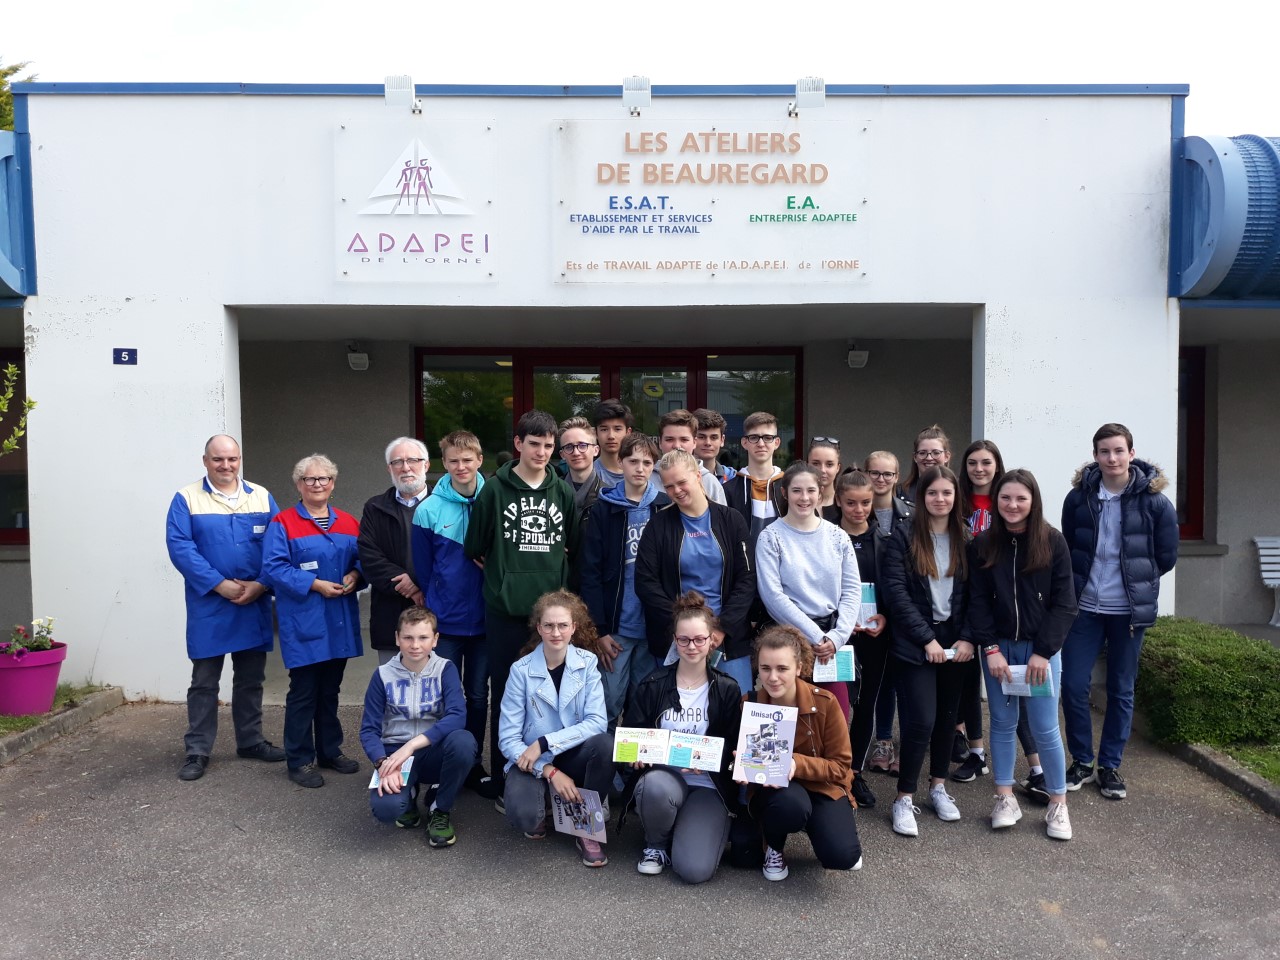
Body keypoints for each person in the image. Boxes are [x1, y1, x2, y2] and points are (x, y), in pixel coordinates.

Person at [465, 410, 578, 803]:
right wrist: (503, 573)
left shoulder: (561, 490)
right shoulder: (493, 491)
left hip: (549, 619)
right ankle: (504, 782)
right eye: (535, 444)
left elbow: (571, 544)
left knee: (552, 697)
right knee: (508, 698)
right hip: (505, 612)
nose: (542, 452)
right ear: (518, 444)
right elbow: (474, 546)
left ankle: (551, 778)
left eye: (549, 445)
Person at [1060, 423, 1178, 800]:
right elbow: (1070, 548)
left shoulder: (1155, 502)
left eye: (1118, 450)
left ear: (1131, 453)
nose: (1112, 458)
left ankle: (1110, 765)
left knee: (1121, 689)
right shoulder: (1079, 498)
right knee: (1073, 685)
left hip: (1128, 613)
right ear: (1095, 455)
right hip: (1085, 609)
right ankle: (1081, 760)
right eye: (1104, 451)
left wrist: (1133, 583)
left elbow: (1165, 556)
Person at [165, 434, 284, 782]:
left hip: (254, 599)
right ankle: (198, 750)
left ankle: (250, 741)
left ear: (240, 459)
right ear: (205, 461)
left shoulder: (260, 496)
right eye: (218, 459)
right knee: (204, 681)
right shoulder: (186, 498)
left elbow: (278, 544)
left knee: (251, 678)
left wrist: (262, 583)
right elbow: (180, 548)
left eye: (232, 459)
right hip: (210, 604)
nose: (226, 466)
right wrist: (220, 584)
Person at [968, 469, 1078, 840]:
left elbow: (1065, 604)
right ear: (995, 501)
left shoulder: (1053, 542)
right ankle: (1004, 798)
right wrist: (991, 648)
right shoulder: (982, 543)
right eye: (1005, 498)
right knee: (1001, 722)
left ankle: (1058, 804)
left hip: (1040, 653)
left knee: (1046, 727)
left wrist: (1044, 652)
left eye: (1020, 498)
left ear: (1033, 501)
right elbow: (977, 602)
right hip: (999, 650)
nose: (1012, 505)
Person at [619, 592, 743, 882]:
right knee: (656, 788)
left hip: (707, 785)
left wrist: (715, 760)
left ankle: (687, 828)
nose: (692, 646)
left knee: (694, 871)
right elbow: (630, 739)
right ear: (675, 640)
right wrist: (634, 757)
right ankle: (655, 844)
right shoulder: (652, 685)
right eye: (684, 639)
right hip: (664, 779)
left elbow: (735, 747)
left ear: (712, 639)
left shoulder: (727, 689)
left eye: (699, 639)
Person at [260, 453, 365, 788]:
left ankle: (329, 750)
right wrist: (314, 584)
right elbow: (273, 568)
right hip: (304, 621)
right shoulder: (283, 523)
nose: (317, 484)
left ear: (333, 484)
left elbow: (364, 561)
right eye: (310, 479)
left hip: (338, 621)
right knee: (304, 691)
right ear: (298, 484)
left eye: (323, 479)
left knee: (330, 690)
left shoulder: (349, 522)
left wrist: (355, 575)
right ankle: (300, 759)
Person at [882, 465, 971, 836]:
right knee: (920, 720)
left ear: (955, 497)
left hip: (957, 644)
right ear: (922, 497)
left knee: (948, 720)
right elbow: (896, 594)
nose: (940, 499)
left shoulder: (966, 538)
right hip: (915, 644)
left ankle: (938, 787)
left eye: (947, 493)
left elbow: (975, 597)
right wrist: (926, 640)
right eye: (932, 493)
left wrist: (966, 638)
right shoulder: (902, 537)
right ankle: (904, 797)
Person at [498, 590, 613, 867]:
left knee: (606, 744)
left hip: (571, 753)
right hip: (532, 762)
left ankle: (587, 825)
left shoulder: (587, 664)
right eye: (548, 625)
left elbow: (597, 722)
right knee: (526, 819)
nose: (556, 632)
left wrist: (545, 742)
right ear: (539, 628)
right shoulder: (520, 670)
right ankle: (548, 801)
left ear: (574, 627)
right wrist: (548, 770)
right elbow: (507, 739)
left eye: (563, 625)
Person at [740, 625, 862, 881]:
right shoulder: (750, 703)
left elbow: (841, 766)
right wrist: (740, 766)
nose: (772, 677)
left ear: (799, 668)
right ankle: (774, 844)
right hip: (778, 792)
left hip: (822, 786)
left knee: (842, 857)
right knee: (790, 806)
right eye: (765, 669)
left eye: (782, 669)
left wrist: (796, 763)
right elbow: (741, 760)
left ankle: (821, 822)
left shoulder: (825, 703)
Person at [635, 449, 757, 693]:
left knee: (735, 714)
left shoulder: (731, 520)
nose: (676, 491)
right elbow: (645, 583)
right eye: (669, 486)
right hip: (678, 639)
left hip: (726, 638)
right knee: (680, 716)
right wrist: (684, 630)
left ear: (698, 477)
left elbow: (747, 579)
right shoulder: (658, 525)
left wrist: (722, 627)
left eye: (682, 482)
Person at [360, 607, 477, 847]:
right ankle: (409, 794)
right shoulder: (382, 675)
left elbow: (457, 716)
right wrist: (382, 761)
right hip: (395, 753)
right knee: (386, 810)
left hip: (432, 749)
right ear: (397, 638)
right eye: (408, 637)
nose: (415, 645)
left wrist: (412, 745)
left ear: (435, 640)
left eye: (423, 638)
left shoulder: (445, 669)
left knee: (464, 742)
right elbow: (369, 729)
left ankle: (440, 809)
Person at [413, 430, 488, 789]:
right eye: (454, 461)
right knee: (443, 696)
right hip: (447, 621)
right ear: (445, 463)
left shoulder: (495, 498)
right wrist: (434, 609)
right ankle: (444, 760)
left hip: (488, 620)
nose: (461, 466)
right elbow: (424, 571)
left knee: (477, 695)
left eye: (467, 460)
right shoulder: (428, 508)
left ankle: (473, 763)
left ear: (479, 461)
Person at [754, 462, 859, 719]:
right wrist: (814, 637)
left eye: (811, 490)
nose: (804, 497)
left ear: (820, 493)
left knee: (835, 719)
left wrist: (836, 637)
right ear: (785, 493)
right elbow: (772, 595)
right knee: (789, 723)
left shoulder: (838, 536)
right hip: (789, 642)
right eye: (797, 490)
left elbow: (851, 589)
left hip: (832, 644)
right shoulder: (770, 537)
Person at [578, 432, 667, 726]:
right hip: (616, 628)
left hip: (652, 627)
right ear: (621, 462)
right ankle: (606, 769)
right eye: (633, 461)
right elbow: (590, 572)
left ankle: (633, 770)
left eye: (647, 462)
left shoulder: (664, 508)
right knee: (609, 702)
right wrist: (599, 630)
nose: (640, 468)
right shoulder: (604, 508)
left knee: (642, 703)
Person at [832, 469, 891, 809]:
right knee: (838, 706)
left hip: (874, 635)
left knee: (867, 703)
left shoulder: (885, 541)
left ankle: (854, 771)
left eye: (865, 503)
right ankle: (834, 769)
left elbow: (894, 589)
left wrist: (886, 616)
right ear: (838, 500)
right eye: (851, 503)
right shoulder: (826, 535)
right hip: (838, 636)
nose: (858, 509)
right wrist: (841, 623)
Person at [950, 439, 1006, 783]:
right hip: (965, 599)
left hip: (1002, 601)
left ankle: (1035, 766)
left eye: (986, 462)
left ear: (997, 465)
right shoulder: (957, 501)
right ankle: (976, 753)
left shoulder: (1008, 499)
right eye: (973, 463)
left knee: (1006, 685)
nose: (979, 469)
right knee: (969, 684)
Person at [357, 437, 429, 667]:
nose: (405, 467)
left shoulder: (444, 504)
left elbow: (452, 556)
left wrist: (417, 581)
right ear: (389, 468)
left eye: (413, 460)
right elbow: (369, 556)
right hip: (390, 615)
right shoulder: (375, 507)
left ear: (426, 465)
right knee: (393, 690)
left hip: (436, 611)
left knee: (436, 690)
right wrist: (407, 585)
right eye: (397, 462)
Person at [862, 450, 912, 778]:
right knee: (873, 682)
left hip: (902, 608)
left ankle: (895, 744)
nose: (881, 480)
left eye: (888, 474)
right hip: (866, 610)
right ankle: (874, 742)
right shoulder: (853, 510)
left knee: (899, 680)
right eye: (875, 473)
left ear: (897, 477)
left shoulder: (910, 515)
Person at [723, 411, 785, 546]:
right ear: (744, 443)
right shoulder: (729, 491)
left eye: (768, 437)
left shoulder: (789, 487)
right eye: (754, 437)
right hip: (746, 566)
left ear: (777, 442)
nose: (761, 443)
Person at [658, 408, 728, 505]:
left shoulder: (710, 482)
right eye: (669, 439)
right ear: (660, 443)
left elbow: (721, 519)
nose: (677, 446)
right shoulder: (645, 477)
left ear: (694, 442)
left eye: (684, 440)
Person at [558, 415, 607, 526]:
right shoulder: (552, 493)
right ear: (562, 455)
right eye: (569, 447)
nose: (576, 452)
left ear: (596, 450)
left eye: (582, 445)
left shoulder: (607, 495)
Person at [898, 424, 951, 504]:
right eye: (922, 453)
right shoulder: (899, 493)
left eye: (936, 453)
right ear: (915, 457)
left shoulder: (960, 490)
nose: (929, 458)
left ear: (946, 456)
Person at [592, 397, 635, 488]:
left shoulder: (642, 472)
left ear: (628, 432)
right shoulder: (589, 473)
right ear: (596, 433)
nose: (611, 436)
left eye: (617, 429)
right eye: (604, 429)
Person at [693, 407, 737, 482]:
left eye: (713, 437)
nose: (708, 443)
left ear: (722, 440)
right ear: (691, 439)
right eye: (701, 437)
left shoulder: (733, 479)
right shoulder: (677, 477)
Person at [807, 437, 842, 517]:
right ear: (807, 465)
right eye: (816, 464)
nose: (822, 470)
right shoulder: (798, 503)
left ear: (838, 468)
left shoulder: (847, 503)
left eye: (829, 465)